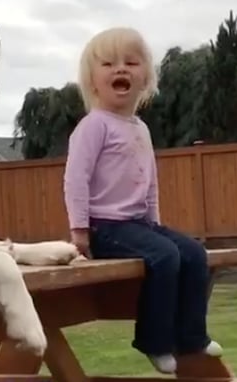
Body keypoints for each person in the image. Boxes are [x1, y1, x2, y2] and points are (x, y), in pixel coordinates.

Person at [63, 27, 222, 374]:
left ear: (145, 79)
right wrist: (79, 230)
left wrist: (156, 221)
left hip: (139, 225)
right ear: (92, 81)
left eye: (131, 62)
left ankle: (192, 337)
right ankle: (155, 342)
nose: (120, 69)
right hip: (104, 226)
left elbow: (149, 183)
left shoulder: (140, 128)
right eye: (108, 63)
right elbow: (76, 179)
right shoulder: (94, 126)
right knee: (165, 257)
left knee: (194, 253)